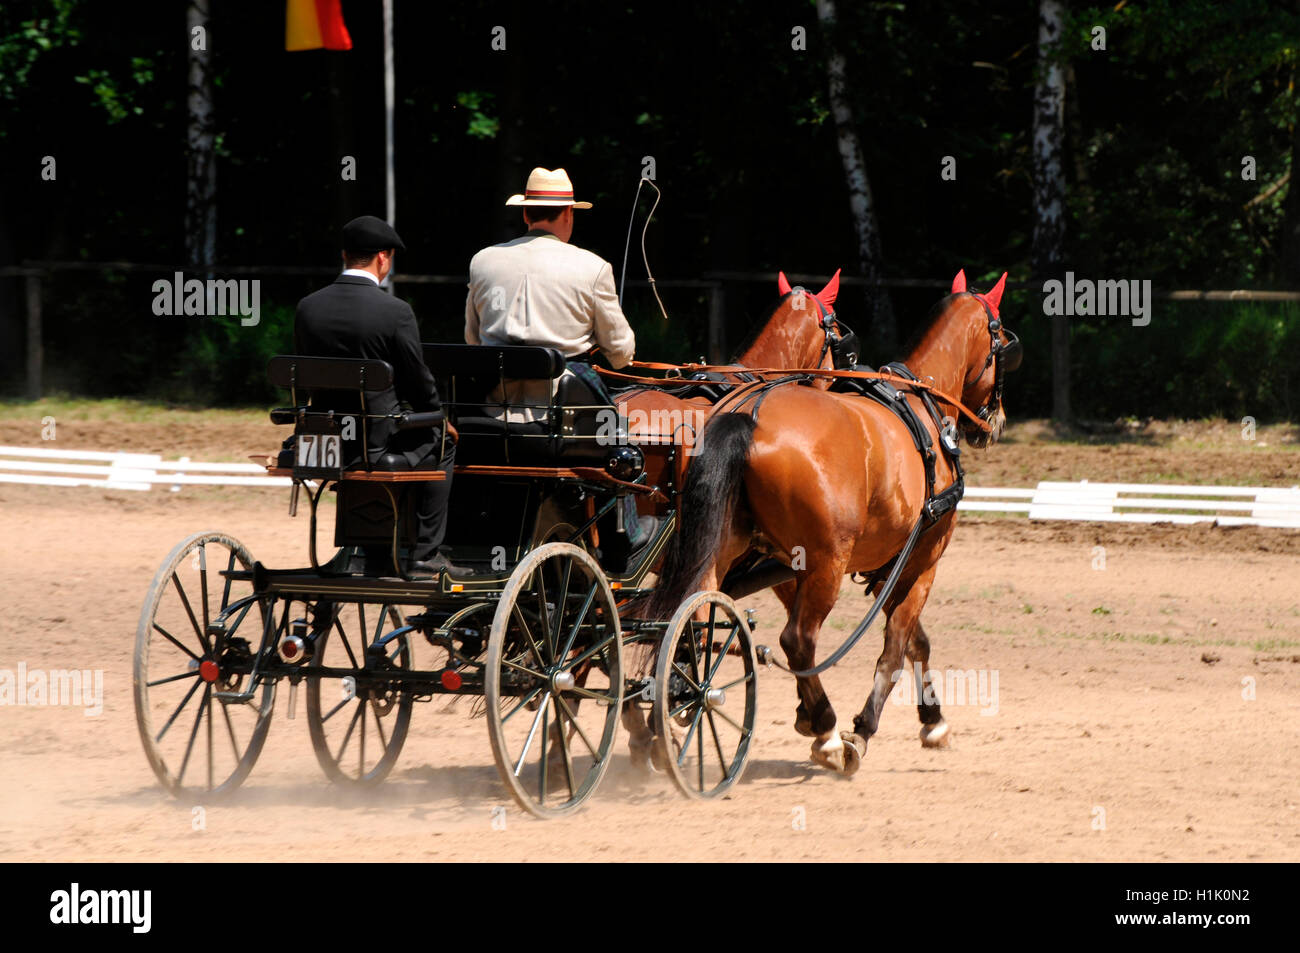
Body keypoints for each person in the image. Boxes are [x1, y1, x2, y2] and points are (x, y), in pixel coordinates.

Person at [464, 167, 655, 554]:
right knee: (618, 439)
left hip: (487, 416)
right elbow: (621, 353)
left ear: (525, 214)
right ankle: (623, 535)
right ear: (568, 214)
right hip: (561, 422)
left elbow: (472, 340)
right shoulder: (592, 267)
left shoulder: (483, 261)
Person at [294, 215, 463, 577]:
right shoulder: (395, 312)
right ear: (383, 258)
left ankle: (366, 544)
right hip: (375, 445)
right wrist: (437, 418)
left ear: (345, 255)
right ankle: (424, 552)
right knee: (441, 441)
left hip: (324, 441)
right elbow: (418, 382)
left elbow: (308, 377)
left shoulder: (308, 307)